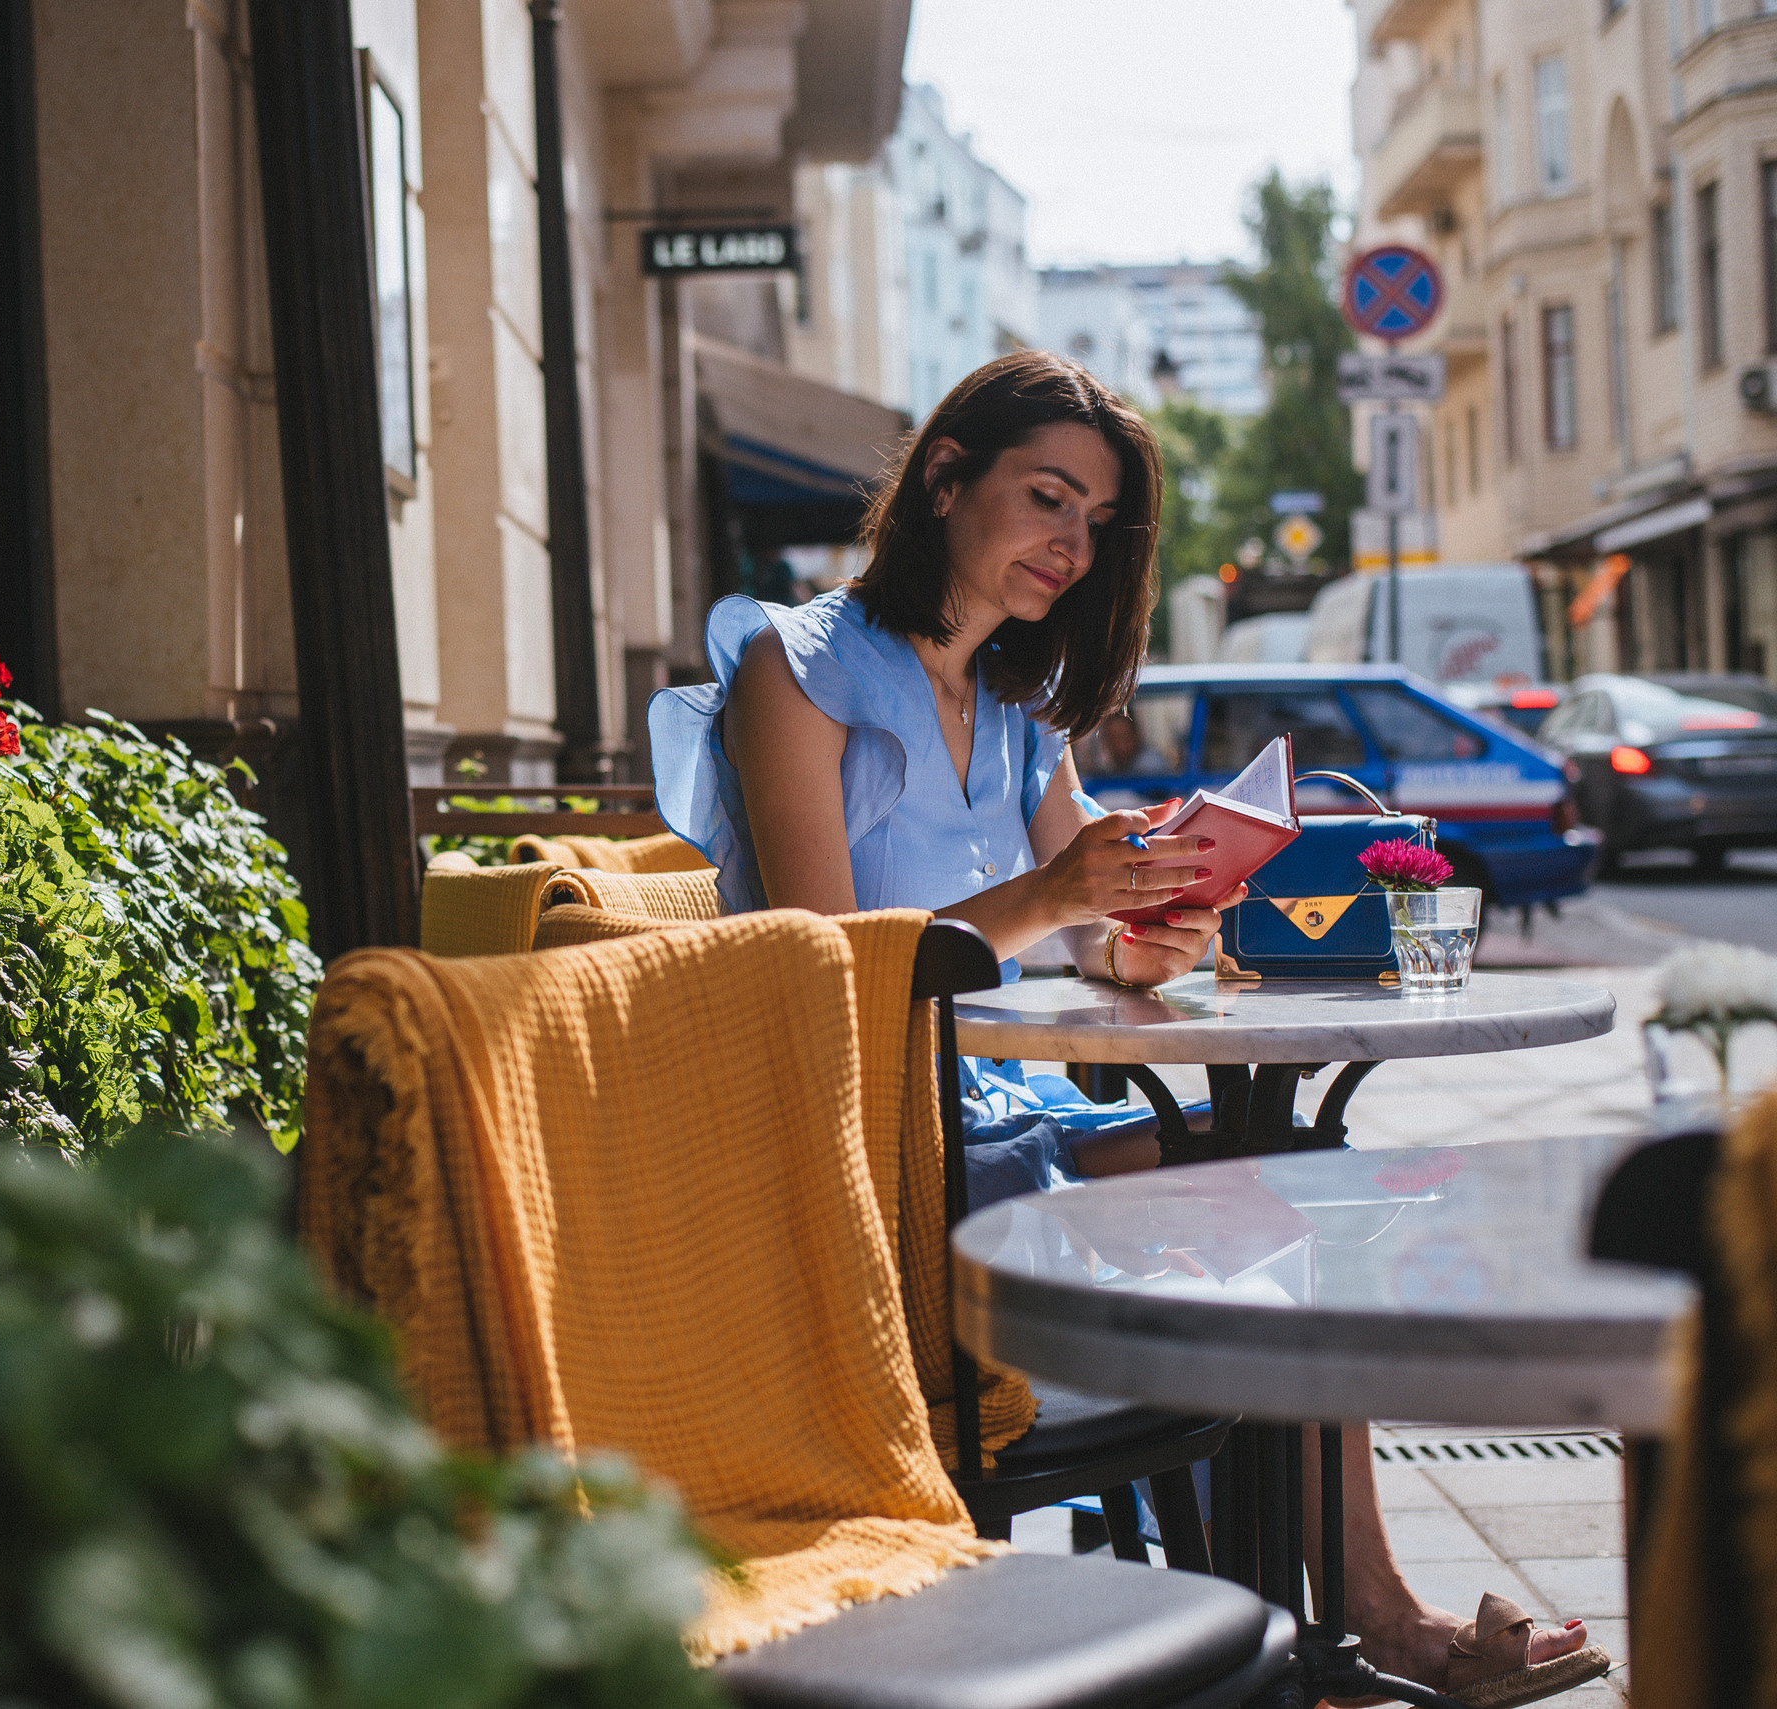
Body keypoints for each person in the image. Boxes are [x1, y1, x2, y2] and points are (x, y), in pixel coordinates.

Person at [649, 350, 1597, 1701]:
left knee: (1283, 1188)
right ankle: (1341, 1627)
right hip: (869, 1136)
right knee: (1256, 1195)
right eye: (1047, 497)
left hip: (1007, 1107)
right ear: (942, 477)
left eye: (1095, 523)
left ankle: (1296, 1627)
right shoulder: (787, 669)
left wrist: (1146, 929)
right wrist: (1053, 893)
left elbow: (1083, 931)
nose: (1073, 544)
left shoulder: (1020, 706)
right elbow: (821, 959)